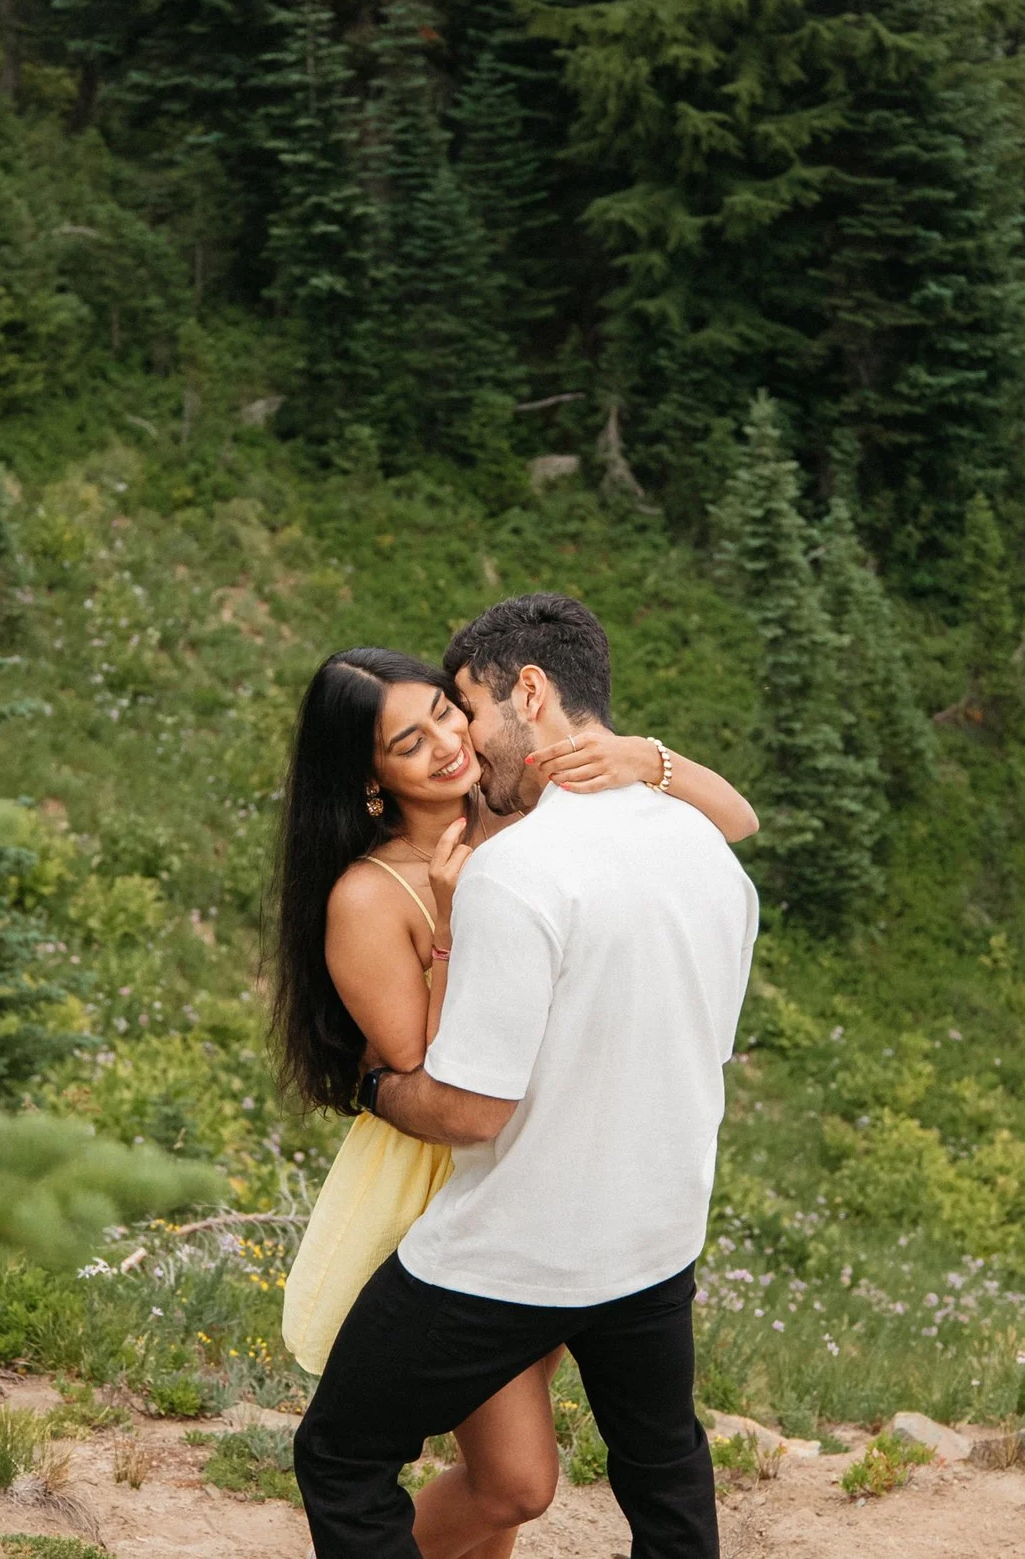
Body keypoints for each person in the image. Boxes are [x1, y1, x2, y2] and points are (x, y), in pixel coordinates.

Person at [290, 594, 762, 1559]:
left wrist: (644, 759)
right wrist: (456, 930)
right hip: (459, 1184)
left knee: (523, 1481)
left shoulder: (522, 813)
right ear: (369, 780)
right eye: (408, 742)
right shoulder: (371, 897)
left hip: (552, 1169)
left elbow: (734, 820)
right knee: (521, 1478)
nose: (448, 743)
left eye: (448, 713)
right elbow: (440, 1080)